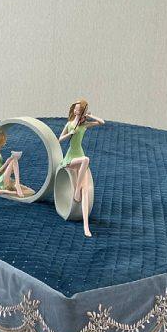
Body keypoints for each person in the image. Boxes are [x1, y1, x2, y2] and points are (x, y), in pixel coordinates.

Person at [59, 99, 105, 237]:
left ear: (82, 111)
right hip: (70, 158)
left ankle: (86, 225)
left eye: (78, 109)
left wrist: (90, 115)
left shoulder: (84, 125)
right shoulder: (69, 124)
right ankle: (77, 191)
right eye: (75, 108)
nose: (76, 110)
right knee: (86, 159)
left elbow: (101, 122)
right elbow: (59, 139)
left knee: (86, 191)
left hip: (80, 156)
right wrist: (69, 134)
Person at [0, 132, 34, 198]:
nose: (5, 143)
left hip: (6, 177)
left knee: (31, 192)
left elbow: (3, 169)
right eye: (4, 141)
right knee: (13, 160)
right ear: (0, 142)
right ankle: (17, 184)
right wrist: (7, 163)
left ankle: (7, 192)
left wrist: (11, 169)